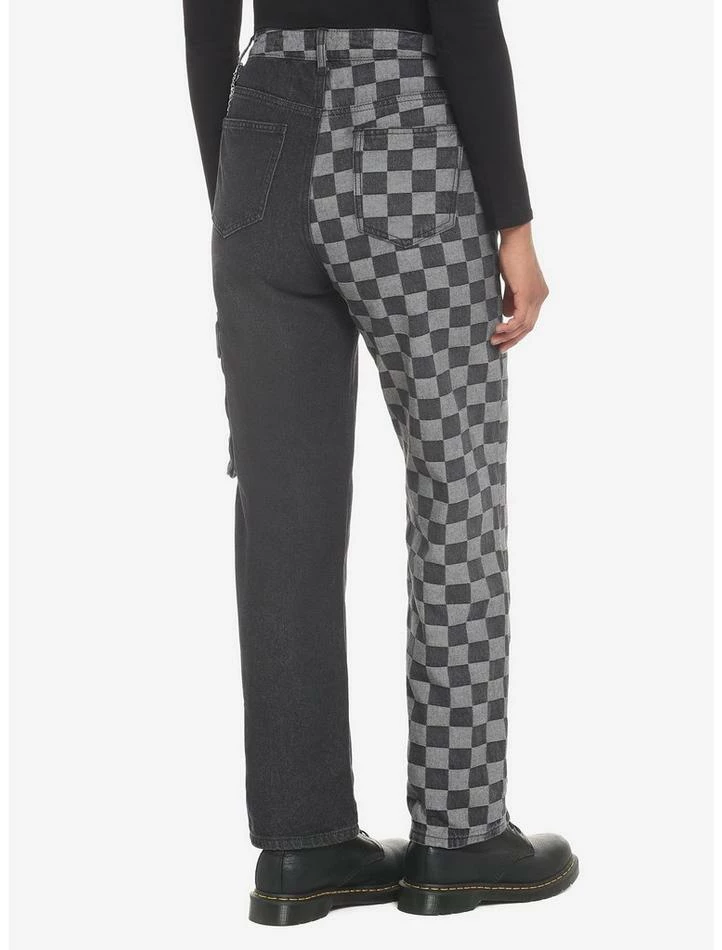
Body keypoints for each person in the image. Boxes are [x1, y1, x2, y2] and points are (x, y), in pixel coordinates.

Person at [183, 0, 578, 926]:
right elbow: (463, 17)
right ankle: (460, 835)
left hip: (258, 138)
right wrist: (514, 222)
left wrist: (234, 194)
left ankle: (303, 846)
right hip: (405, 144)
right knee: (455, 484)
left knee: (283, 513)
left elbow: (205, 16)